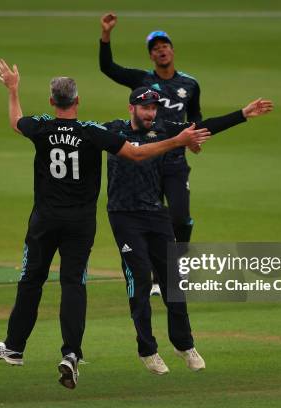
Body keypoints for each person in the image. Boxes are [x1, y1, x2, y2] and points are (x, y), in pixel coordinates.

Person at [0, 60, 212, 389]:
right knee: (73, 284)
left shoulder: (41, 127)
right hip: (80, 222)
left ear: (53, 102)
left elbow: (15, 122)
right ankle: (71, 354)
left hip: (45, 219)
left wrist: (12, 89)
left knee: (31, 280)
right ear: (77, 101)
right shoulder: (93, 132)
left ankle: (14, 347)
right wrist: (176, 141)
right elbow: (137, 154)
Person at [103, 87, 273, 374]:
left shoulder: (165, 129)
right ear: (131, 108)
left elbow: (203, 128)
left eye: (154, 108)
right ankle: (148, 350)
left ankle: (184, 345)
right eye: (145, 108)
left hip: (156, 213)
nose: (151, 113)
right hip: (124, 216)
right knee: (141, 280)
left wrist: (243, 114)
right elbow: (85, 137)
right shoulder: (113, 130)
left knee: (173, 280)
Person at [99, 12, 204, 296]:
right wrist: (106, 35)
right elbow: (107, 67)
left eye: (164, 45)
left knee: (180, 217)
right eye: (155, 48)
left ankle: (178, 263)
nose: (161, 50)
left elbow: (196, 117)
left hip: (175, 159)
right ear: (151, 56)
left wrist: (194, 138)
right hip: (148, 159)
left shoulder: (190, 85)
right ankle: (159, 278)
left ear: (172, 50)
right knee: (153, 216)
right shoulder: (142, 80)